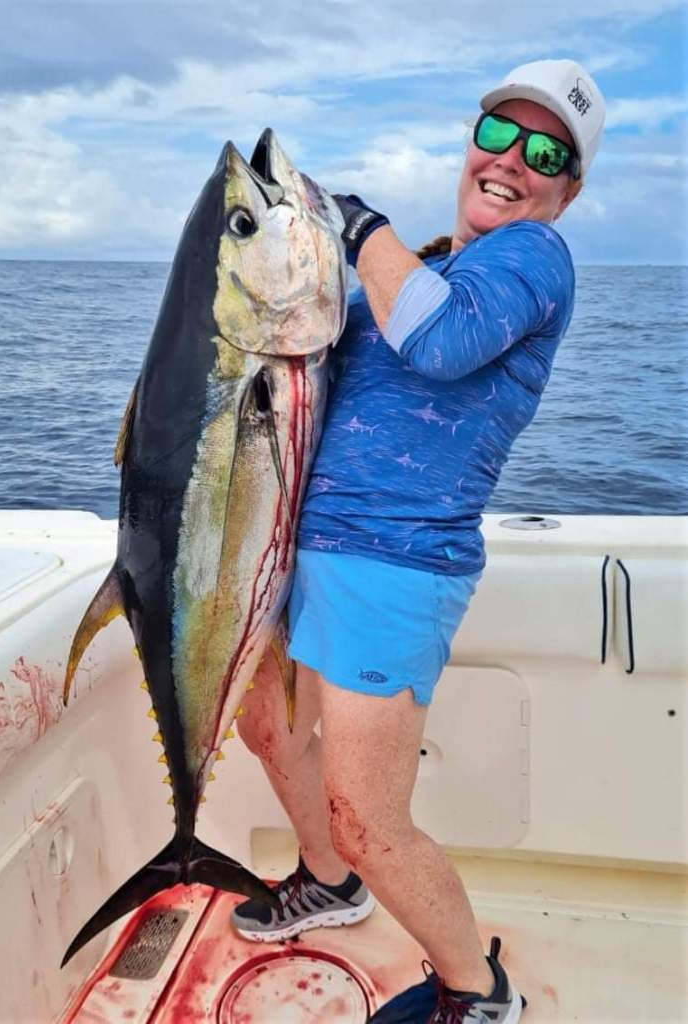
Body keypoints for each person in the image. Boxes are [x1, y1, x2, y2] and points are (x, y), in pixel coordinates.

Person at [231, 59, 605, 1023]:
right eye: (500, 134)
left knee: (368, 816)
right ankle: (329, 881)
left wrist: (360, 227)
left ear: (567, 189)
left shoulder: (533, 259)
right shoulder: (424, 273)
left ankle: (478, 992)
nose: (512, 160)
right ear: (471, 143)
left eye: (545, 153)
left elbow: (440, 343)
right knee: (267, 726)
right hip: (299, 550)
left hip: (391, 565)